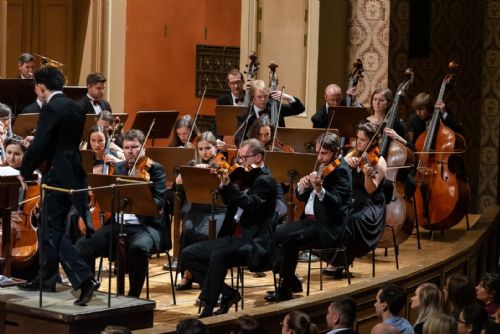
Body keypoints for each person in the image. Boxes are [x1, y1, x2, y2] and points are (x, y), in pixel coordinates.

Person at [18, 66, 99, 306]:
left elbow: (42, 142)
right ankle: (46, 278)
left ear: (41, 87)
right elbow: (63, 140)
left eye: (36, 88)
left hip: (56, 174)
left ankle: (84, 279)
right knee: (48, 225)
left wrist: (24, 170)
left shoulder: (51, 107)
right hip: (73, 171)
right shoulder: (76, 106)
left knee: (52, 230)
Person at [179, 138, 278, 317]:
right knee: (188, 254)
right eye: (238, 158)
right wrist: (225, 185)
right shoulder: (243, 175)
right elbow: (228, 201)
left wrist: (231, 188)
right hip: (234, 237)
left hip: (253, 241)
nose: (240, 162)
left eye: (244, 158)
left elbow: (249, 204)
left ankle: (208, 308)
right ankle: (228, 293)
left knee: (219, 255)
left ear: (258, 157)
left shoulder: (266, 181)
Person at [75, 129, 170, 297]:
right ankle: (87, 287)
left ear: (143, 148)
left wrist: (140, 196)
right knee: (82, 246)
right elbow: (107, 200)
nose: (130, 151)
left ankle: (133, 296)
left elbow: (159, 202)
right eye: (126, 147)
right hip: (117, 224)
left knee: (139, 248)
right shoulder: (117, 168)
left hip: (144, 226)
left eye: (134, 147)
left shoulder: (155, 170)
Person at [267, 132, 352, 302]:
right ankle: (291, 281)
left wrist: (319, 189)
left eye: (324, 153)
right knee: (273, 234)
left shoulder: (341, 171)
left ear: (336, 152)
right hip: (311, 222)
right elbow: (304, 198)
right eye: (318, 152)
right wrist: (302, 187)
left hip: (328, 227)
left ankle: (286, 287)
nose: (320, 157)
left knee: (287, 239)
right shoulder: (323, 166)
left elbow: (335, 204)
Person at [324, 122, 387, 276]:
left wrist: (366, 174)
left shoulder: (379, 161)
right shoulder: (352, 155)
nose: (357, 143)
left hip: (371, 205)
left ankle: (339, 262)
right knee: (334, 214)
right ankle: (334, 258)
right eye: (357, 138)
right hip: (353, 200)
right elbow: (333, 171)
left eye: (362, 140)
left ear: (372, 141)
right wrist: (345, 166)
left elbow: (370, 189)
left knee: (351, 220)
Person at [174, 131, 228, 291]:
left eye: (208, 148)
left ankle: (202, 275)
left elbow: (225, 187)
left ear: (215, 148)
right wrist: (194, 171)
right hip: (196, 207)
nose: (205, 152)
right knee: (188, 231)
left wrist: (214, 173)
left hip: (217, 209)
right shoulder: (192, 163)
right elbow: (177, 183)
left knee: (205, 235)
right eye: (201, 149)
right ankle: (187, 273)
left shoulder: (222, 164)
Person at [234, 79, 305, 145]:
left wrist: (289, 98)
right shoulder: (245, 116)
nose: (263, 99)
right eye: (259, 97)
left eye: (265, 96)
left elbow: (299, 109)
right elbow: (239, 139)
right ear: (253, 98)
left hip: (278, 149)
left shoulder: (275, 107)